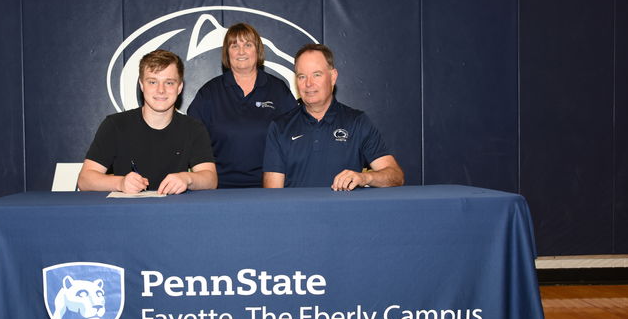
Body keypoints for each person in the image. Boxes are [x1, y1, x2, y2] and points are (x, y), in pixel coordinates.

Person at [262, 44, 404, 190]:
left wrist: (364, 177)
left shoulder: (357, 121)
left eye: (316, 74)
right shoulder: (280, 127)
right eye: (302, 76)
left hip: (344, 213)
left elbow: (396, 176)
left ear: (333, 76)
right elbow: (273, 196)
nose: (308, 83)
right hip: (296, 213)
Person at [78, 50, 217, 194]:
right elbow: (85, 179)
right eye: (152, 82)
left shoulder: (193, 129)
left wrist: (187, 178)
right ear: (141, 85)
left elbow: (210, 179)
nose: (161, 90)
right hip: (126, 213)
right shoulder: (115, 125)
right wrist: (120, 183)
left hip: (175, 213)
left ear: (179, 87)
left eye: (169, 82)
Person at [187, 23, 298, 188]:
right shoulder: (210, 92)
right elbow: (191, 136)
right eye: (234, 45)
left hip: (269, 189)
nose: (241, 51)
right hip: (218, 190)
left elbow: (296, 136)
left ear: (258, 50)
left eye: (248, 45)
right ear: (227, 53)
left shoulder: (278, 89)